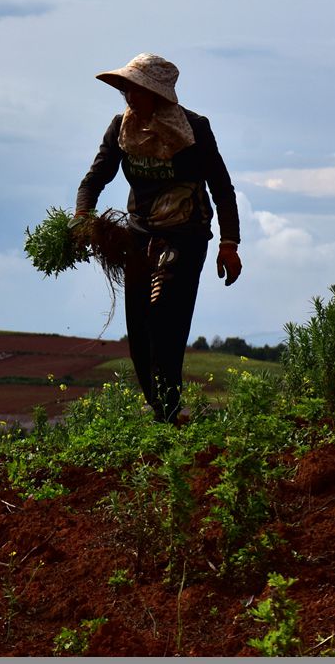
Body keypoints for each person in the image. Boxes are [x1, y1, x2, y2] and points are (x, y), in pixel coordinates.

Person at [74, 53, 241, 423]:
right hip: (140, 235)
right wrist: (81, 218)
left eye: (137, 90)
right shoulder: (121, 128)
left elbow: (222, 189)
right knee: (139, 327)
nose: (130, 98)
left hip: (186, 235)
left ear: (159, 95)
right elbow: (94, 179)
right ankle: (161, 411)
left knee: (166, 319)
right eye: (127, 90)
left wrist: (229, 244)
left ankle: (170, 409)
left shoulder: (194, 129)